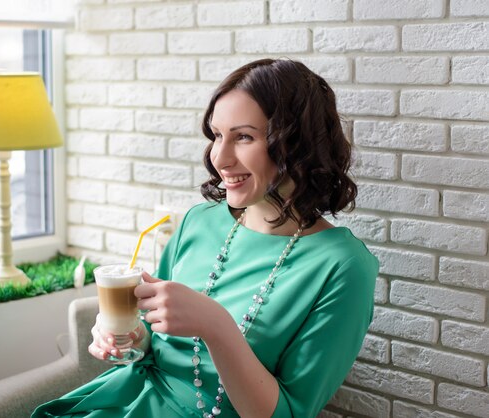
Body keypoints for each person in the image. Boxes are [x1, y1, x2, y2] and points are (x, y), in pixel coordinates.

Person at [33, 58, 379, 418]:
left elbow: (288, 413)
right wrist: (132, 338)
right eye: (217, 135)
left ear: (298, 144)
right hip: (130, 399)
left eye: (243, 137)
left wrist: (216, 326)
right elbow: (155, 336)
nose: (219, 158)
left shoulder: (343, 266)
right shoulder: (198, 222)